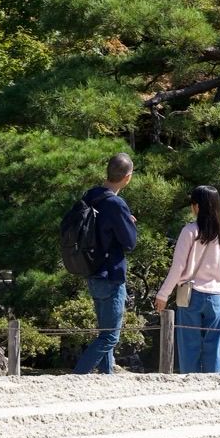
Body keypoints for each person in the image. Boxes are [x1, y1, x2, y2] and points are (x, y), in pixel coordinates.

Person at [154, 185, 220, 374]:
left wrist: (163, 294)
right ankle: (214, 386)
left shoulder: (190, 231)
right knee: (214, 347)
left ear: (196, 206)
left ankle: (189, 385)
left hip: (190, 295)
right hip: (216, 297)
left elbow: (178, 267)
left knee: (189, 345)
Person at [73, 153, 140, 374]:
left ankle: (107, 375)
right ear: (127, 177)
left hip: (91, 270)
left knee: (104, 331)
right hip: (111, 274)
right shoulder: (115, 204)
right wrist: (130, 223)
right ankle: (77, 375)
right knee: (111, 336)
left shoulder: (90, 196)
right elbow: (129, 242)